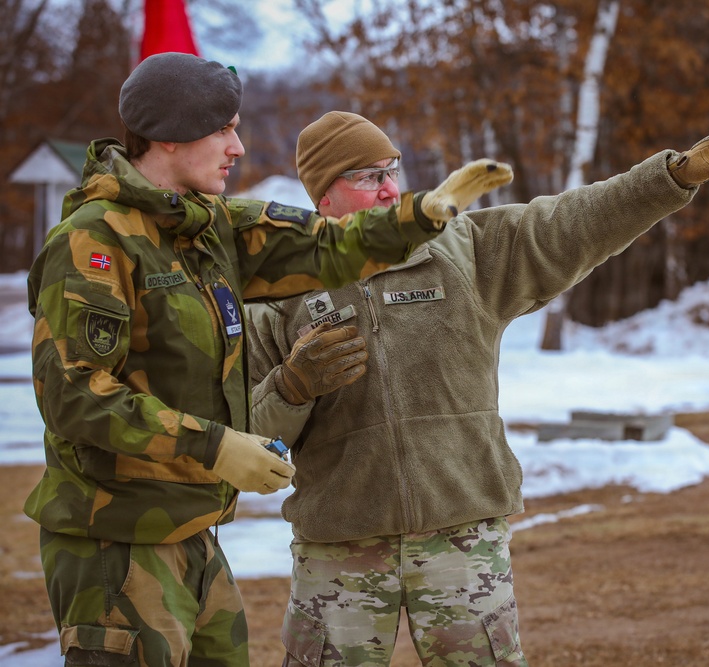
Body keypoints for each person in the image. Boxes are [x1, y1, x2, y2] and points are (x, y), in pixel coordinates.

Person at [24, 54, 511, 667]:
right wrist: (217, 447)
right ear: (170, 136)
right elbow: (75, 395)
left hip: (191, 527)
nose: (238, 146)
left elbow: (328, 247)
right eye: (222, 129)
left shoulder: (209, 227)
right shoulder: (95, 240)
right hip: (114, 540)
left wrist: (419, 215)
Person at [245, 111, 709, 666]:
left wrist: (672, 176)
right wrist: (292, 387)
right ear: (323, 195)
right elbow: (248, 431)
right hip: (338, 545)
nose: (388, 188)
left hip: (462, 537)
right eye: (366, 176)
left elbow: (572, 223)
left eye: (391, 170)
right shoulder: (284, 289)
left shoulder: (463, 249)